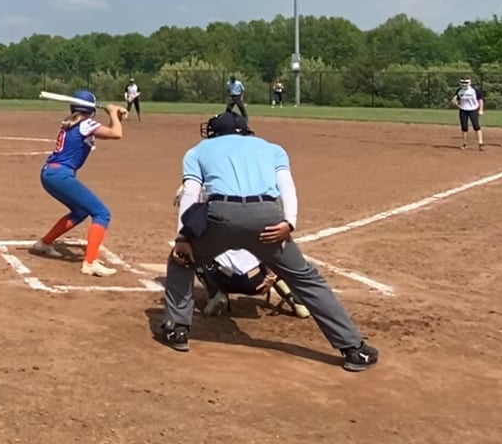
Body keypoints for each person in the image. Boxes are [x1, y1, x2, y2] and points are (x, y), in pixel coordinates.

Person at [152, 112, 379, 372]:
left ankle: (177, 329)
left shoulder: (197, 151)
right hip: (267, 218)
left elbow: (191, 193)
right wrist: (289, 223)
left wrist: (183, 237)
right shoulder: (272, 148)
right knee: (305, 278)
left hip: (221, 216)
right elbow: (287, 187)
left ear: (213, 132)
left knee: (181, 261)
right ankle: (354, 348)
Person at [27, 90, 126, 277]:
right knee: (101, 213)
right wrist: (112, 112)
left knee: (80, 212)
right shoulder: (87, 124)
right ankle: (90, 263)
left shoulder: (70, 122)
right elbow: (116, 133)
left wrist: (116, 116)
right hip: (60, 175)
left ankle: (44, 243)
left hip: (50, 174)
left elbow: (109, 130)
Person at [452, 76, 485, 150]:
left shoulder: (474, 90)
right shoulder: (459, 91)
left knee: (476, 126)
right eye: (462, 82)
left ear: (469, 82)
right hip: (463, 110)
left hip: (473, 109)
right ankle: (465, 144)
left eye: (466, 82)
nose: (464, 84)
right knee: (464, 127)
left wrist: (481, 110)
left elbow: (480, 100)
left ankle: (480, 143)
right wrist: (455, 103)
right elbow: (457, 100)